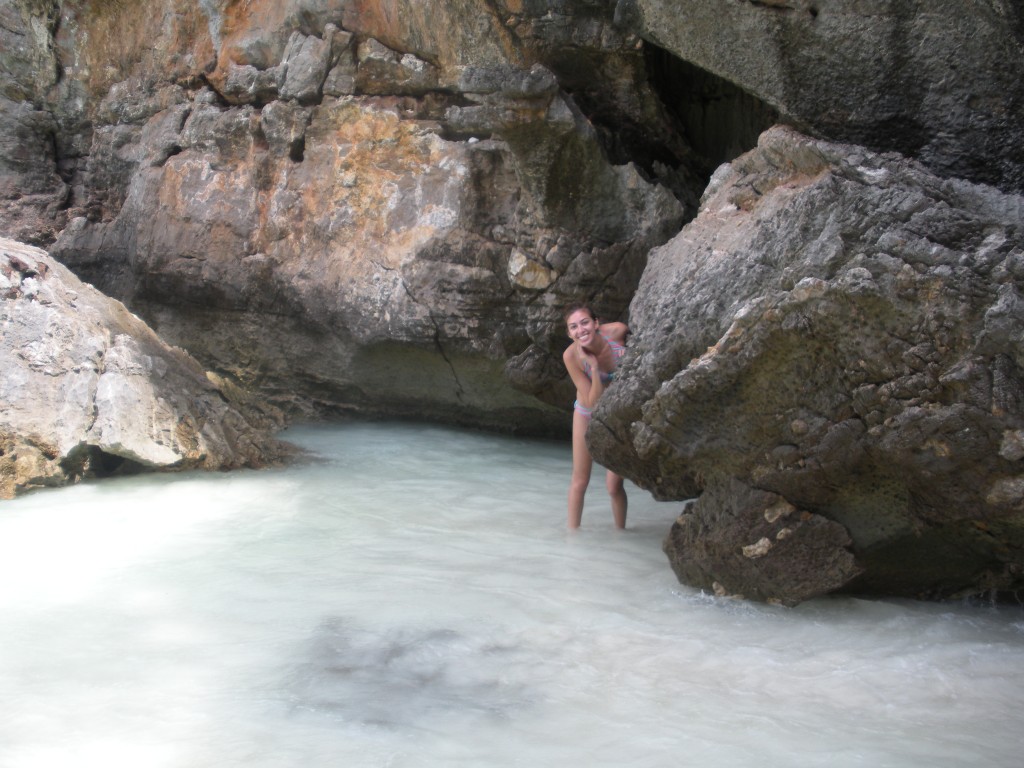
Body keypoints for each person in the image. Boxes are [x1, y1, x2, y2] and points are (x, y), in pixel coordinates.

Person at [561, 303, 629, 529]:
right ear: (569, 334)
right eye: (573, 327)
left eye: (584, 322)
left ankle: (621, 534)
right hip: (586, 412)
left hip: (616, 412)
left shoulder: (618, 332)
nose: (580, 330)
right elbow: (592, 401)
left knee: (613, 486)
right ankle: (572, 540)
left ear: (596, 323)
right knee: (580, 482)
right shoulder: (571, 356)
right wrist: (594, 366)